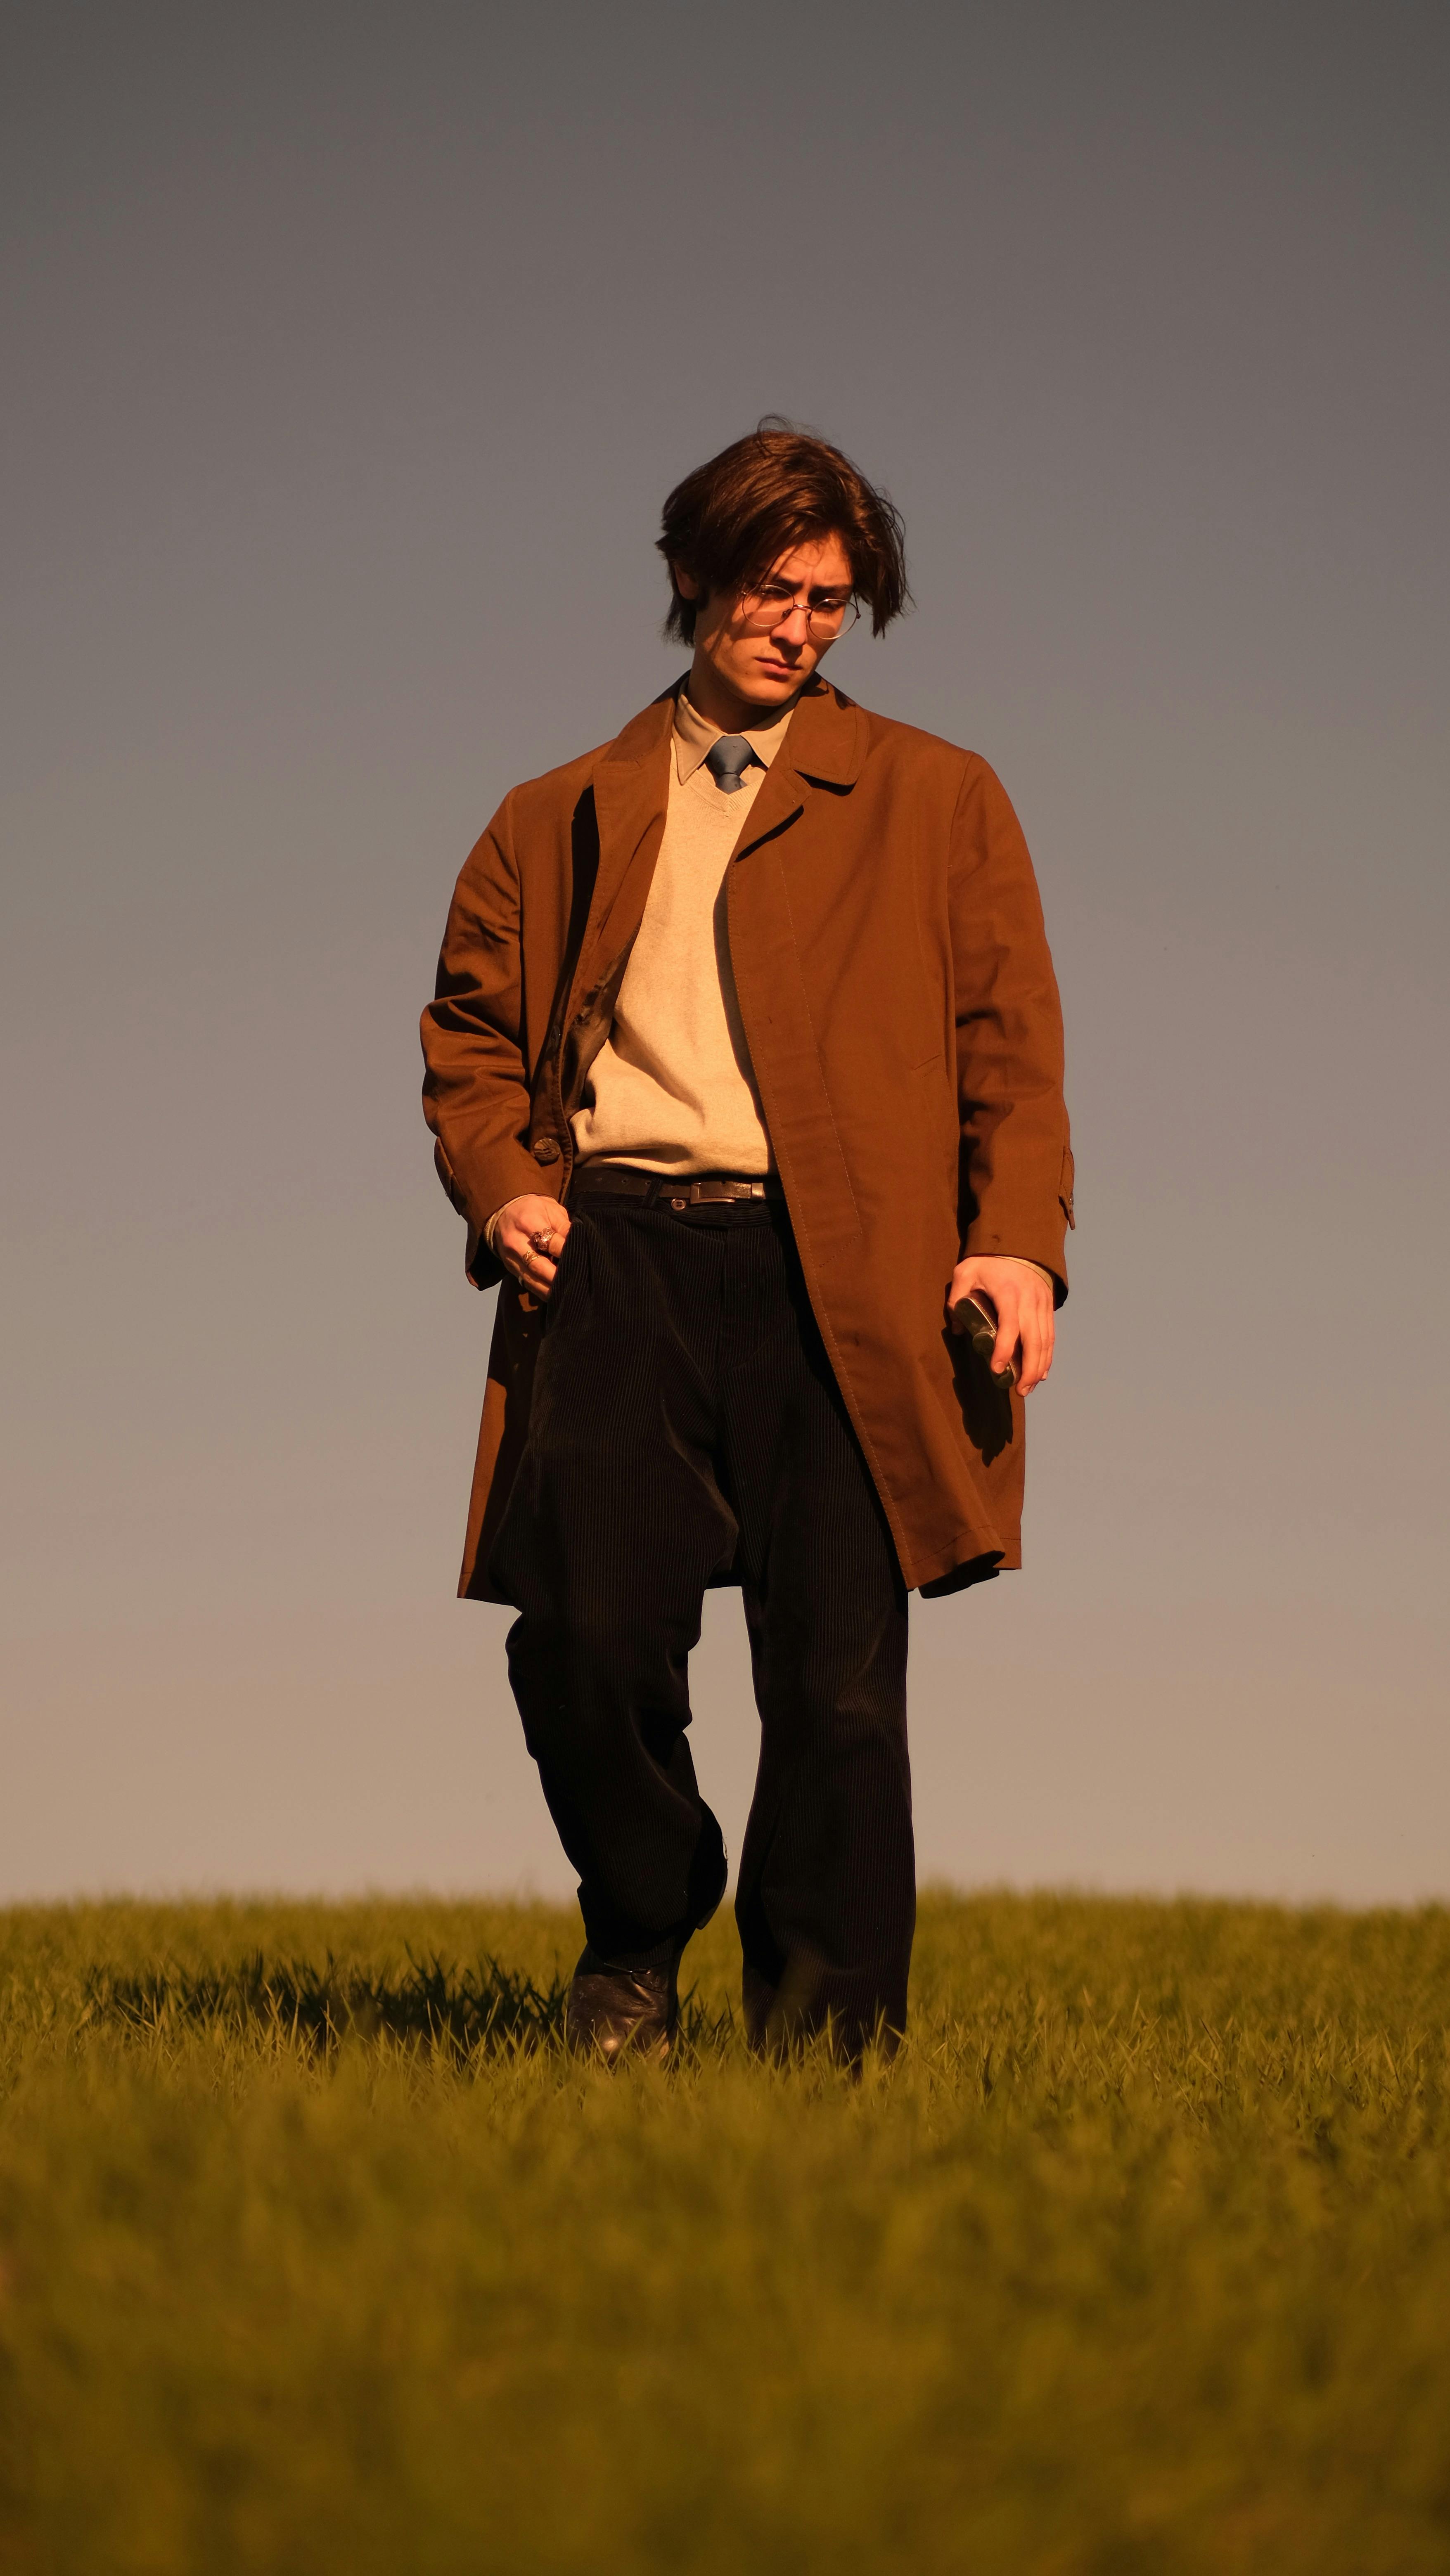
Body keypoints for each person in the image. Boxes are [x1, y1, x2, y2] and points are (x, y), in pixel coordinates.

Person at [421, 421, 1072, 2062]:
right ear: (689, 578)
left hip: (843, 1275)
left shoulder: (938, 796)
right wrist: (503, 1186)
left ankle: (827, 2063)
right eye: (771, 589)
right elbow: (469, 1043)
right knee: (578, 1634)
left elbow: (1010, 1048)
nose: (797, 625)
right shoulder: (551, 815)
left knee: (839, 1691)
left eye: (831, 600)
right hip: (616, 1255)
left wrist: (1014, 1247)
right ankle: (643, 1920)